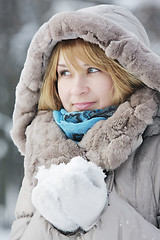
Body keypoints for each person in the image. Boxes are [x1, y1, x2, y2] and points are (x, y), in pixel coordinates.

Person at [10, 4, 160, 240]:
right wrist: (57, 224)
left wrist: (98, 216)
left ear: (126, 71)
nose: (77, 89)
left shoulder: (156, 149)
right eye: (65, 73)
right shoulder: (42, 151)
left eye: (92, 69)